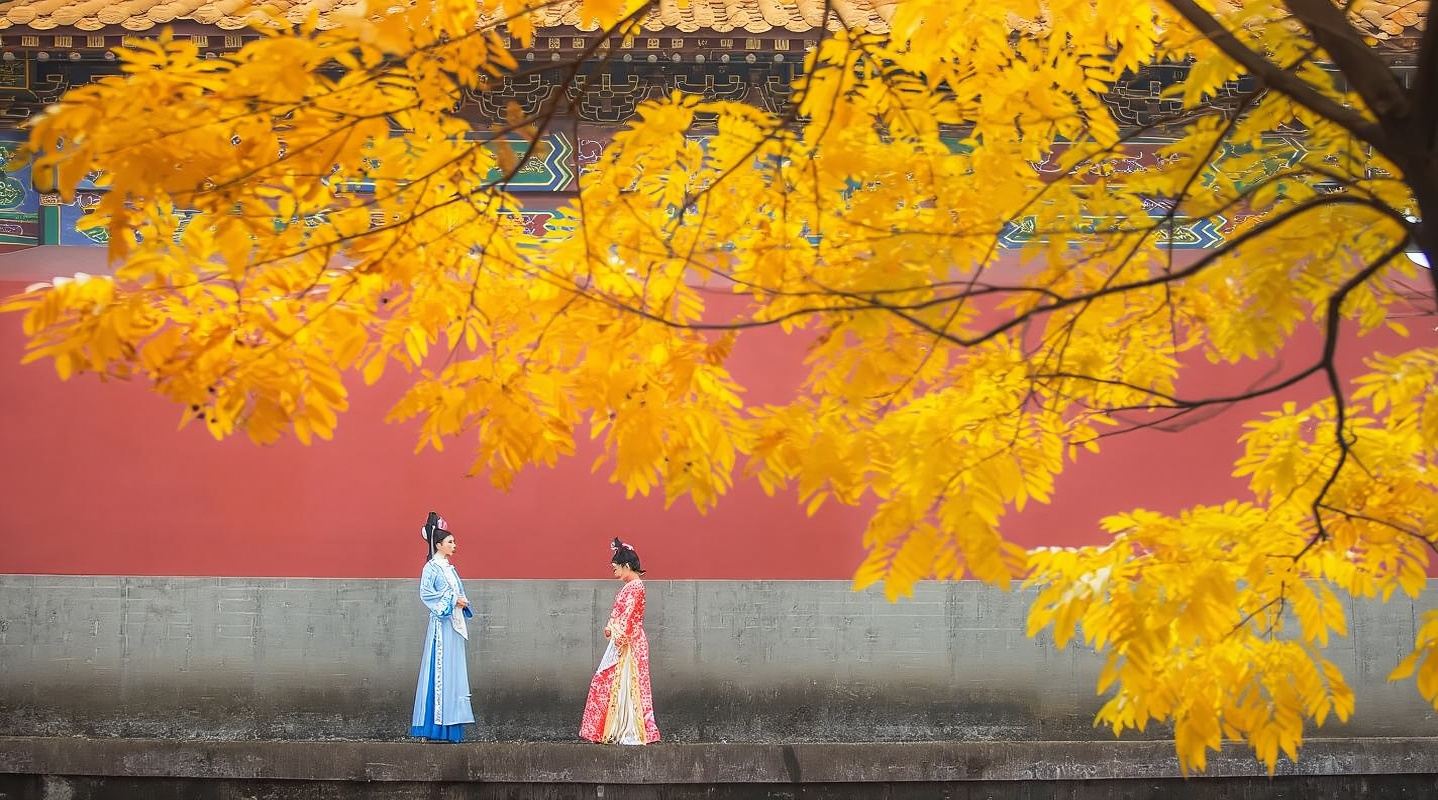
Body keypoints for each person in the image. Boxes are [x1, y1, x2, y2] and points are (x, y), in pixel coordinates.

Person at [580, 537, 661, 744]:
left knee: (624, 685)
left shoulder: (635, 587)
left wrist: (615, 630)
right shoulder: (632, 587)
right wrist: (612, 627)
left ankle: (629, 730)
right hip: (626, 639)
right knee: (614, 682)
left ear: (626, 566)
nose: (613, 571)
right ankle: (616, 728)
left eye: (615, 567)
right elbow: (623, 615)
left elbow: (629, 616)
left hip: (629, 642)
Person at [410, 511, 475, 742]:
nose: (454, 545)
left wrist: (461, 601)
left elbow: (456, 591)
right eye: (450, 542)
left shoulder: (449, 568)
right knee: (439, 670)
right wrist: (451, 601)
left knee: (453, 671)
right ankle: (433, 726)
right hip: (441, 625)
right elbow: (426, 594)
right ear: (438, 544)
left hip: (453, 625)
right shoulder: (432, 568)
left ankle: (451, 725)